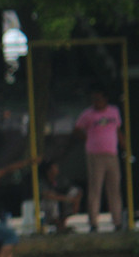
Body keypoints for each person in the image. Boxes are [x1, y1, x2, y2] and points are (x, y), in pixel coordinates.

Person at [73, 87, 125, 232]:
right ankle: (94, 222)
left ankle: (118, 221)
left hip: (112, 154)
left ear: (105, 99)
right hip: (95, 155)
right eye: (94, 100)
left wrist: (124, 145)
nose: (96, 102)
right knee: (95, 188)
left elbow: (118, 130)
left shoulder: (114, 111)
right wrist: (88, 138)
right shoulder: (88, 114)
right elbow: (76, 129)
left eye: (98, 99)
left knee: (114, 188)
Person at [38, 161, 83, 234]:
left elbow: (76, 190)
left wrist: (76, 202)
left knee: (73, 192)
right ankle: (57, 224)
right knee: (52, 202)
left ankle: (63, 224)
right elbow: (47, 195)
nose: (57, 170)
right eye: (54, 168)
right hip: (48, 209)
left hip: (62, 203)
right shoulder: (43, 182)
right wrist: (65, 199)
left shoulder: (61, 180)